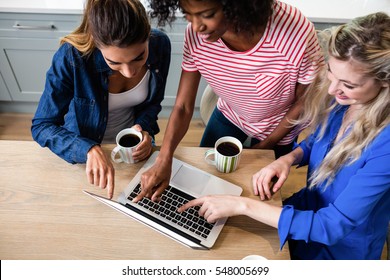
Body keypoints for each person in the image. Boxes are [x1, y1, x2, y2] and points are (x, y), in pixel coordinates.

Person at [179, 12, 390, 259]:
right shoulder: (346, 102)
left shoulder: (384, 144)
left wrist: (242, 205)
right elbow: (317, 142)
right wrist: (287, 159)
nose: (332, 89)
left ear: (384, 81)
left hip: (341, 248)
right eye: (331, 72)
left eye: (349, 85)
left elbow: (332, 226)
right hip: (303, 213)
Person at [135, 0, 323, 202]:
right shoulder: (196, 35)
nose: (197, 27)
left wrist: (266, 146)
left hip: (278, 127)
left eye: (206, 14)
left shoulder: (294, 32)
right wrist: (165, 158)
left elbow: (306, 100)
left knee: (256, 196)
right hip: (230, 112)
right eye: (188, 14)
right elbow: (182, 106)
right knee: (204, 181)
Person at [31, 0, 171, 199]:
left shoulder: (160, 44)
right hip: (84, 152)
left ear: (148, 35)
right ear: (96, 43)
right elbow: (42, 125)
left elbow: (152, 104)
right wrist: (87, 149)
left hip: (133, 150)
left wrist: (144, 129)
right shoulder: (71, 57)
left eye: (139, 57)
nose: (129, 72)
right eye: (114, 62)